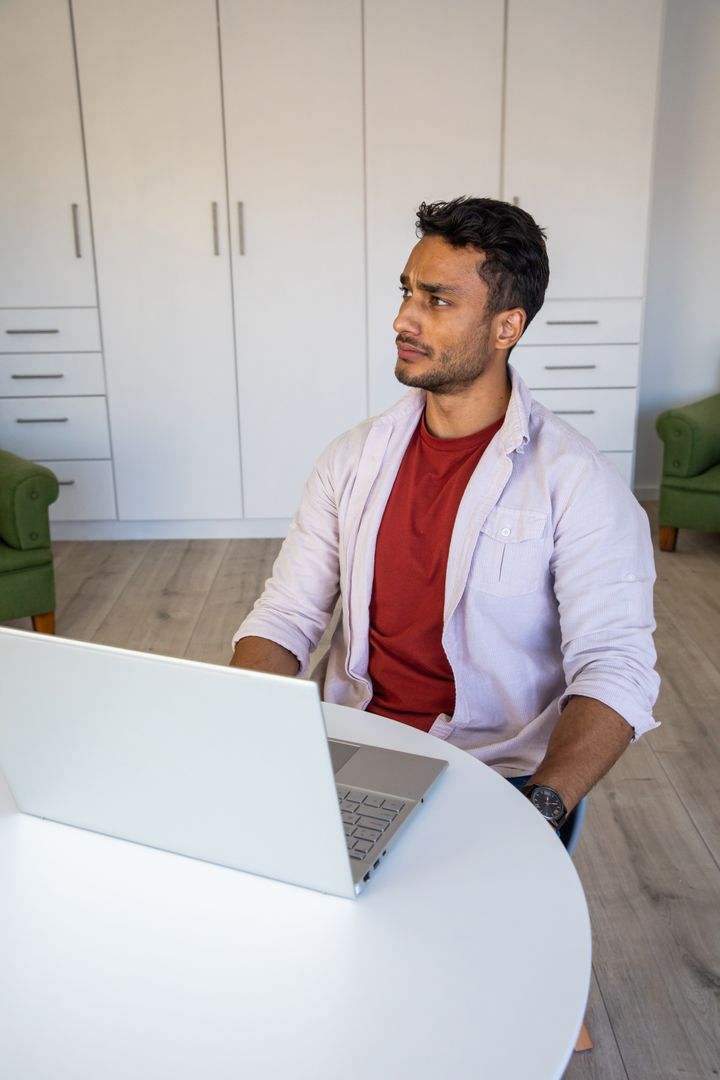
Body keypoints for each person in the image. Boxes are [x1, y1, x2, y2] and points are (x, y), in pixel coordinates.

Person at [230, 196, 659, 835]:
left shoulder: (579, 483)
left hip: (497, 775)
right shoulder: (351, 460)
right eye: (407, 291)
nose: (403, 318)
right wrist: (235, 730)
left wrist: (538, 806)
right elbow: (287, 617)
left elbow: (614, 666)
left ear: (506, 327)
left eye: (437, 300)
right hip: (349, 748)